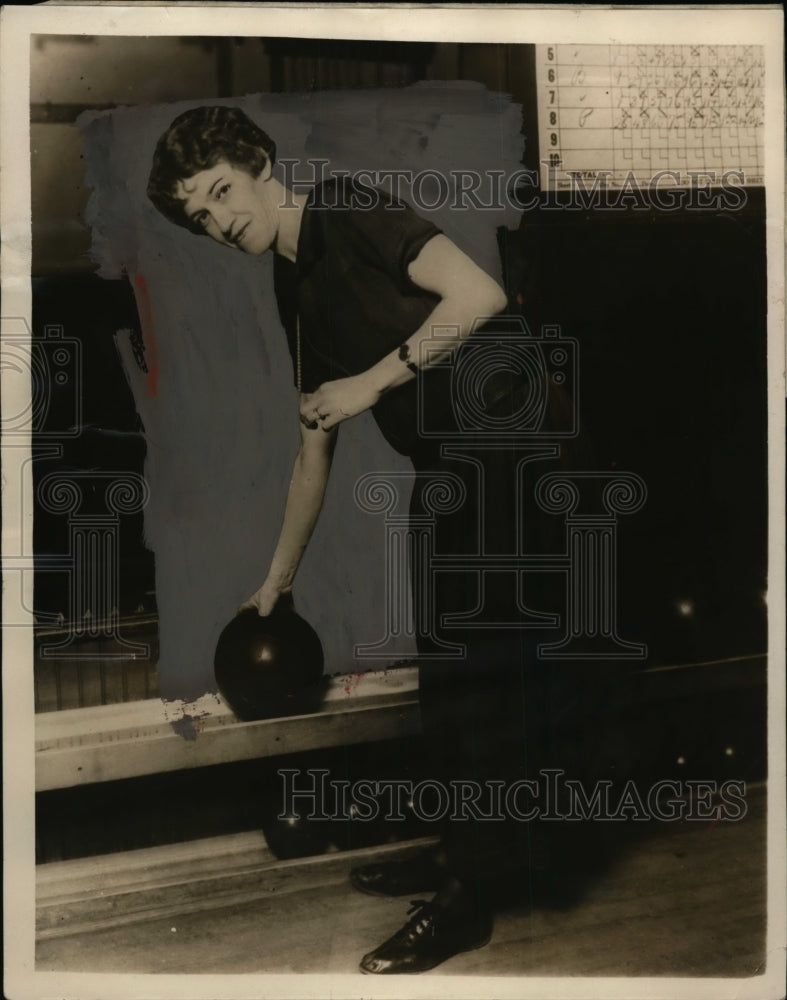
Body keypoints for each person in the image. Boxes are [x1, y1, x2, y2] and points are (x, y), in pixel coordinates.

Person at [147, 105, 569, 974]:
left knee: (475, 684)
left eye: (222, 193)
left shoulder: (349, 206)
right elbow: (316, 433)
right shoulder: (291, 278)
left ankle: (468, 896)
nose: (220, 223)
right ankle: (464, 857)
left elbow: (479, 296)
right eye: (201, 217)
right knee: (447, 680)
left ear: (261, 164)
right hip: (455, 465)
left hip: (517, 453)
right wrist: (277, 580)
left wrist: (371, 382)